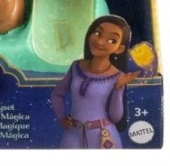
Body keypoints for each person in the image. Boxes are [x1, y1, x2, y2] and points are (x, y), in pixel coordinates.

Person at [50, 15, 139, 148]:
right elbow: (57, 94)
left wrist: (118, 87)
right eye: (97, 33)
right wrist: (62, 117)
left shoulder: (118, 76)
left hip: (103, 137)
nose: (100, 42)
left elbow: (115, 117)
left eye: (111, 40)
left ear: (119, 49)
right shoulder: (76, 67)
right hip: (72, 135)